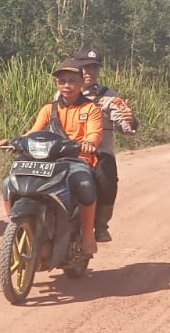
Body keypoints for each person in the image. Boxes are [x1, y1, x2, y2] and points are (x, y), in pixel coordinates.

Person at [13, 60, 103, 258]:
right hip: (48, 159)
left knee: (86, 186)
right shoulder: (49, 109)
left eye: (72, 81)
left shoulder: (91, 109)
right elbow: (34, 131)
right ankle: (16, 225)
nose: (67, 85)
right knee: (9, 183)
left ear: (81, 83)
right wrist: (15, 141)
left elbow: (94, 133)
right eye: (62, 81)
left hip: (77, 160)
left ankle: (88, 236)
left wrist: (89, 142)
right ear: (57, 84)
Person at [71, 48, 137, 242]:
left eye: (94, 68)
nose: (89, 72)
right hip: (68, 152)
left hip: (99, 152)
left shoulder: (109, 97)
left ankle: (100, 226)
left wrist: (130, 120)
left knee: (107, 180)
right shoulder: (64, 94)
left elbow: (126, 128)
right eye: (84, 68)